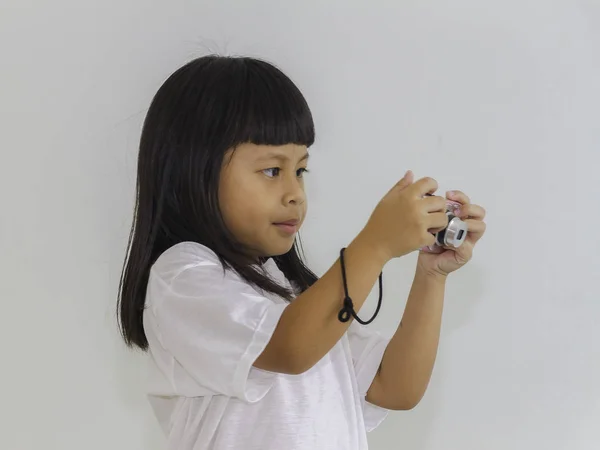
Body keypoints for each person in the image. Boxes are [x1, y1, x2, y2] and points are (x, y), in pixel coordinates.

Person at [117, 55, 487, 450]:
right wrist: (376, 243)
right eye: (273, 171)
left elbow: (395, 386)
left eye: (301, 171)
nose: (295, 192)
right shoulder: (182, 277)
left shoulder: (291, 293)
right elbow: (290, 349)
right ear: (195, 172)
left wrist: (431, 275)